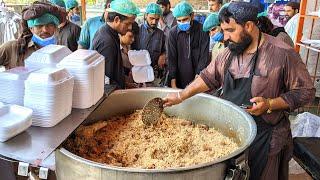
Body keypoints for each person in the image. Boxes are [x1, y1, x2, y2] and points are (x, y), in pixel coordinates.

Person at [164, 2, 315, 180]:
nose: (225, 37)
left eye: (230, 30)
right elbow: (207, 78)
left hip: (265, 138)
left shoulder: (281, 53)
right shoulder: (229, 53)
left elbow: (306, 92)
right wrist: (181, 96)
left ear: (249, 26)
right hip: (234, 135)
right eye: (223, 30)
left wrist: (270, 104)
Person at [0, 1, 66, 69]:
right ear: (31, 28)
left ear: (55, 27)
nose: (45, 30)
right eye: (39, 26)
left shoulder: (61, 51)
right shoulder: (13, 48)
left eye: (50, 25)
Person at [92, 0, 139, 89]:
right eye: (128, 23)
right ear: (116, 20)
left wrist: (125, 82)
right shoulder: (107, 41)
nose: (130, 27)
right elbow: (107, 80)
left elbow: (115, 70)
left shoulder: (110, 33)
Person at [167, 1, 210, 89]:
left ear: (192, 16)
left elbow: (203, 57)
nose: (182, 22)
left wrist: (197, 79)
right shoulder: (172, 33)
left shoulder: (202, 31)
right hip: (179, 78)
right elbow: (172, 58)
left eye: (185, 19)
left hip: (198, 77)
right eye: (179, 20)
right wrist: (173, 83)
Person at [138, 2, 166, 86]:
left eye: (157, 19)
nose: (154, 22)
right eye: (151, 18)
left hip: (153, 73)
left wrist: (163, 55)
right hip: (137, 72)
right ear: (146, 15)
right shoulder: (138, 31)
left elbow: (164, 50)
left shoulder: (161, 34)